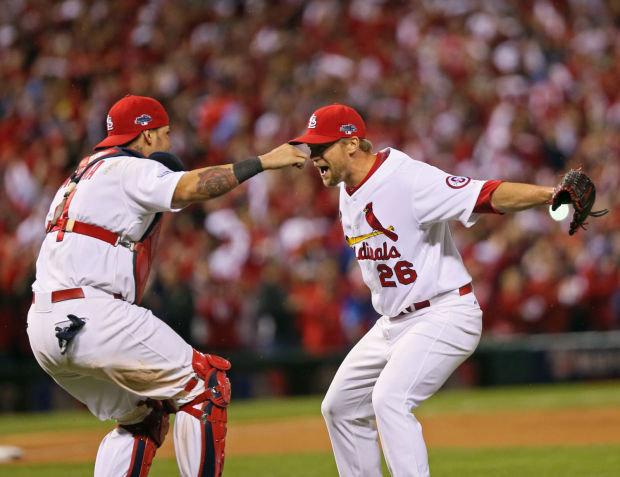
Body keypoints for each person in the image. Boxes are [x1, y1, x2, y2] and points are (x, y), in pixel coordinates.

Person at [27, 94, 306, 477]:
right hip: (91, 313)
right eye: (165, 134)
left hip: (45, 326)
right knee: (206, 383)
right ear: (146, 135)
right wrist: (263, 162)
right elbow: (192, 186)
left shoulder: (79, 176)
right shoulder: (127, 167)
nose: (169, 143)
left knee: (143, 418)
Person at [289, 103, 561, 477]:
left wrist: (550, 194)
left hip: (445, 312)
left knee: (390, 400)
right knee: (340, 406)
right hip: (393, 323)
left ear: (352, 143)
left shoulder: (406, 178)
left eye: (321, 147)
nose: (312, 155)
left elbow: (485, 195)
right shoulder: (347, 189)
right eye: (311, 147)